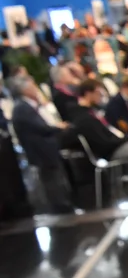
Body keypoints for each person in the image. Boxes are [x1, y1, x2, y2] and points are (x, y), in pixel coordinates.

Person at [10, 75, 74, 212]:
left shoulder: (29, 106)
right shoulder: (22, 108)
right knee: (51, 180)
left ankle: (63, 204)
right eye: (33, 87)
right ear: (25, 91)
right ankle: (59, 207)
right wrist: (59, 127)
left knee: (55, 177)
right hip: (40, 150)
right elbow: (41, 127)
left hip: (46, 148)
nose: (36, 90)